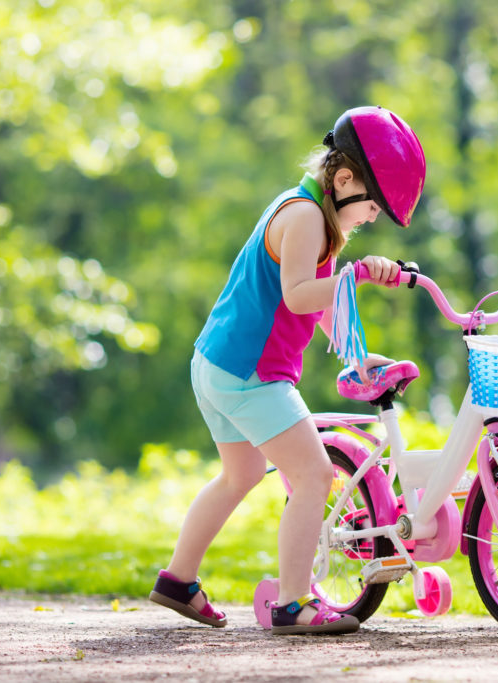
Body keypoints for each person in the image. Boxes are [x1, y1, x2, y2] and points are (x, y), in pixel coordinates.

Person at [149, 106, 426, 635]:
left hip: (218, 364)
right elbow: (298, 297)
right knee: (315, 474)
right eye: (372, 205)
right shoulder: (302, 217)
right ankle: (294, 603)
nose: (371, 218)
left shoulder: (308, 213)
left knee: (242, 474)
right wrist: (359, 275)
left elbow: (318, 305)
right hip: (252, 373)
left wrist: (352, 352)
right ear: (343, 180)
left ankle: (178, 581)